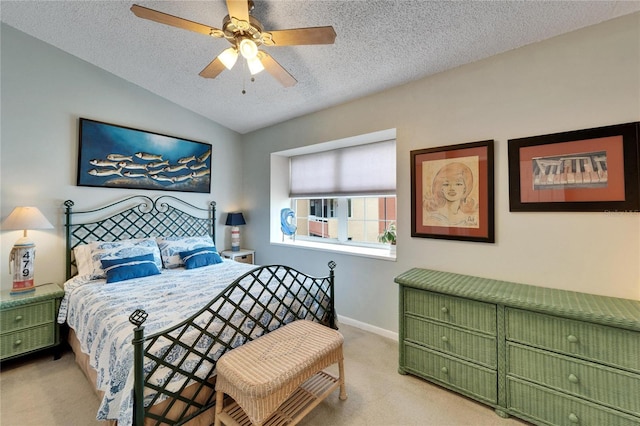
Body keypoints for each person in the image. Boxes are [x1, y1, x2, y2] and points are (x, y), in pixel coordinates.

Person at [423, 162, 478, 227]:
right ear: (441, 188)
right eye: (446, 184)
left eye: (458, 184)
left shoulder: (468, 217)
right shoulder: (434, 219)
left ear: (465, 188)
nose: (452, 188)